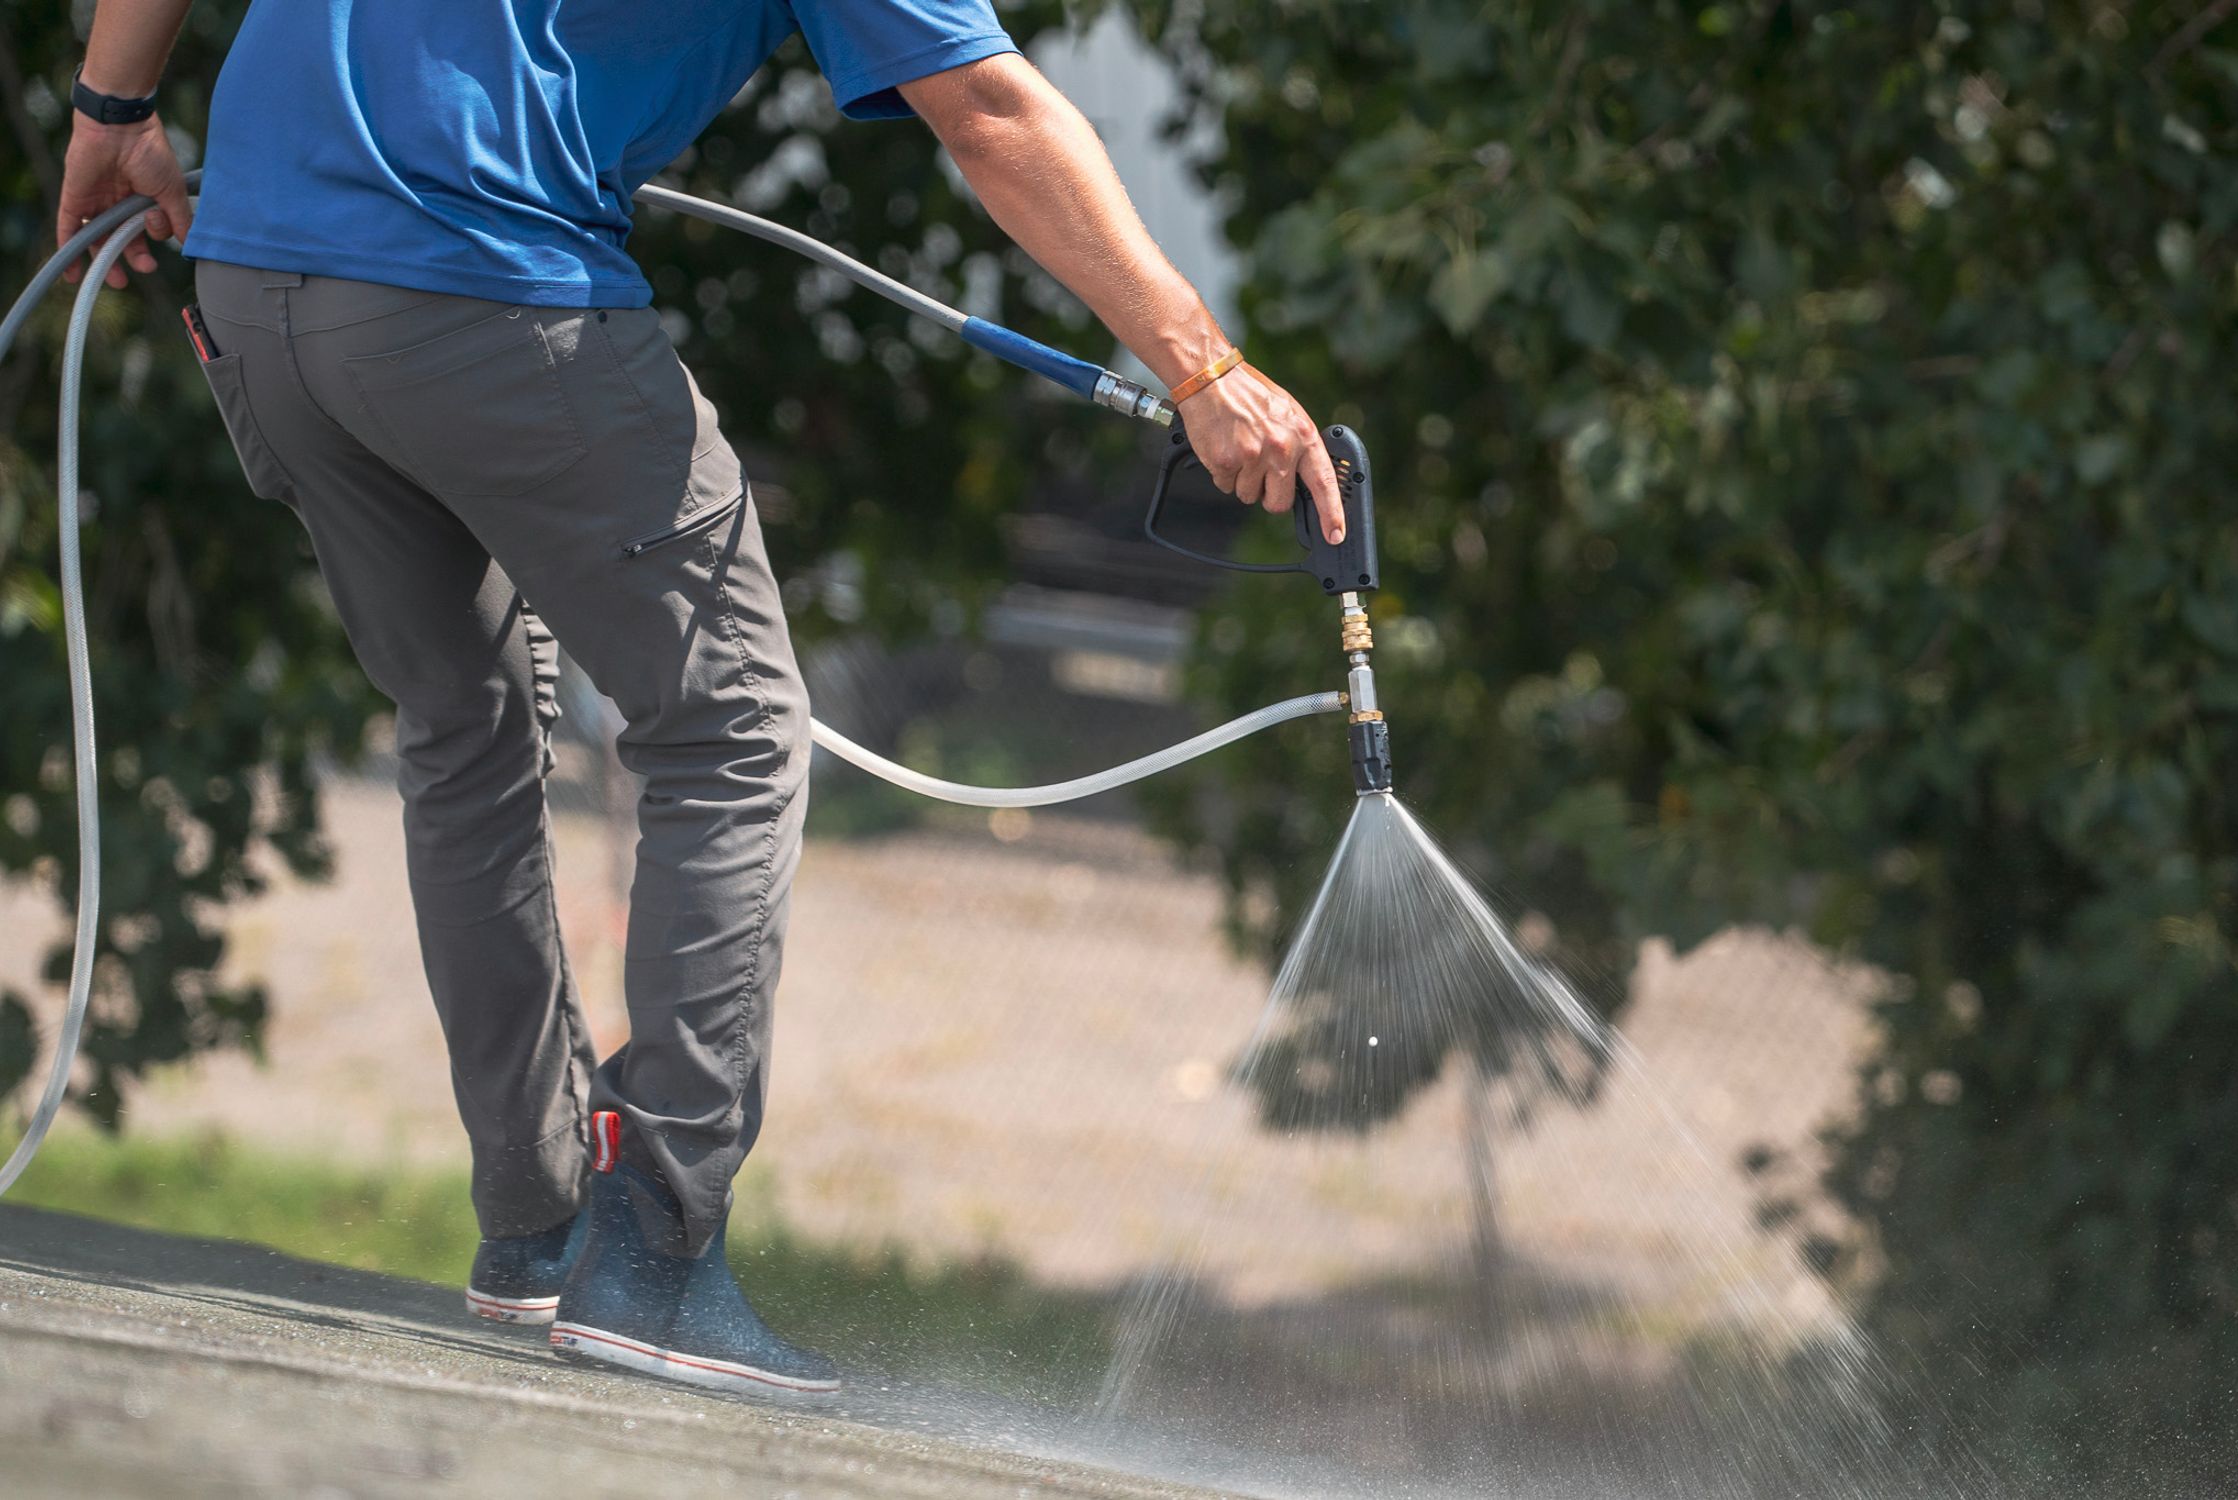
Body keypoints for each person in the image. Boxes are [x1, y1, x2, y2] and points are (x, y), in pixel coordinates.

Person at [56, 0, 1345, 1395]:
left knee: (459, 728)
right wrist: (1204, 367)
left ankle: (542, 1228)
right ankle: (655, 1258)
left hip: (258, 284)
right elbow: (988, 112)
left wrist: (111, 110)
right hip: (478, 277)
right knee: (732, 728)